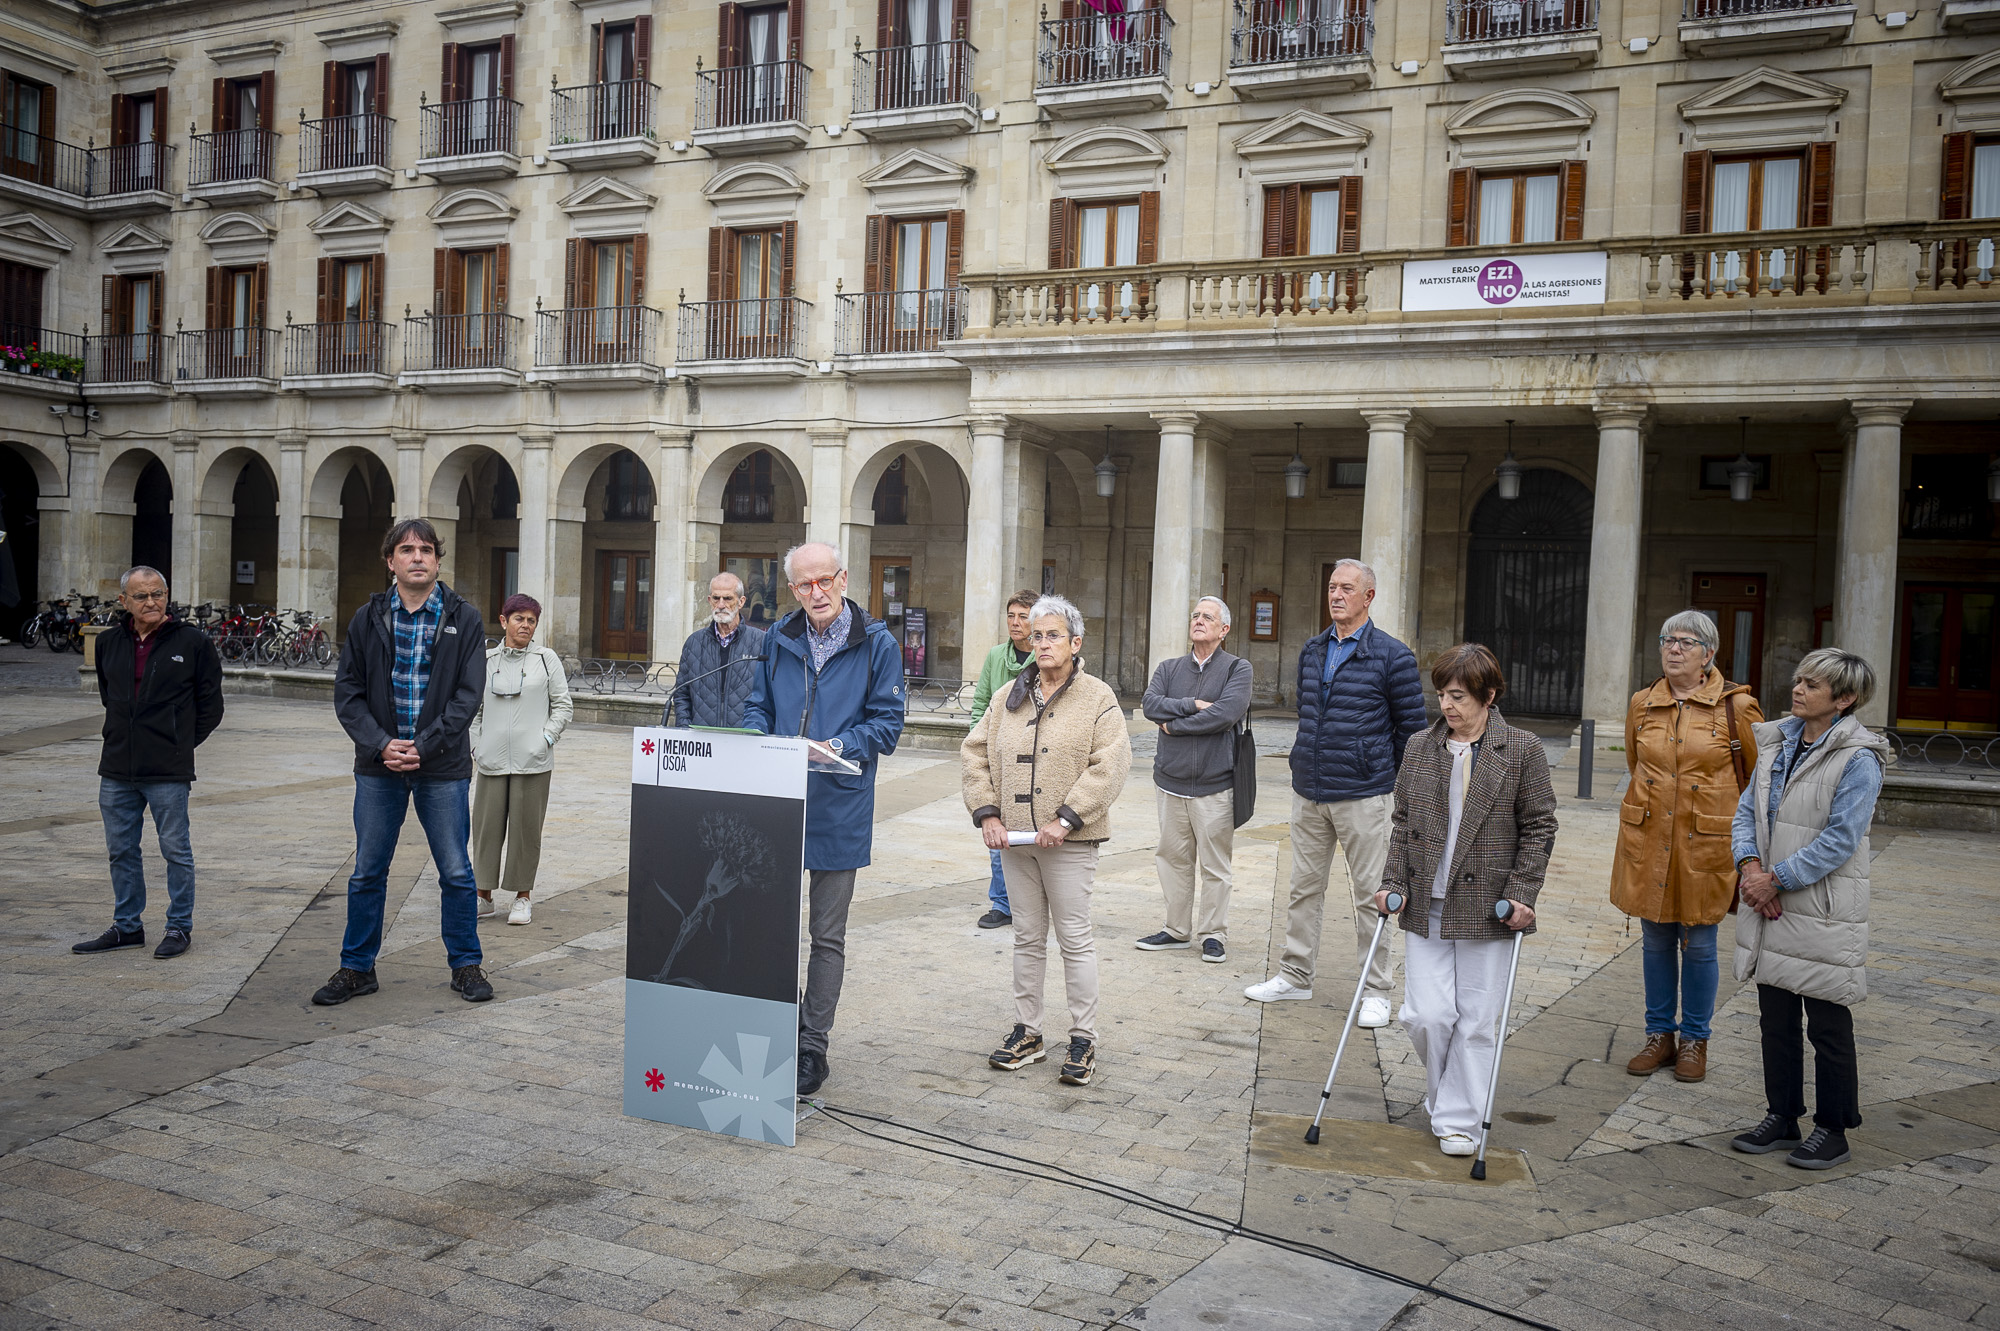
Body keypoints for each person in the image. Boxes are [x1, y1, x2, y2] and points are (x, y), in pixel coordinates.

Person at [1375, 643, 1557, 1156]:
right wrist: (1393, 883)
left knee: (1476, 1019)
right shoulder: (1419, 746)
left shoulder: (1521, 749)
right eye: (1441, 695)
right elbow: (1403, 823)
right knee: (1425, 1016)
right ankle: (1446, 1099)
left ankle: (1459, 1119)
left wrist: (1523, 892)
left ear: (1488, 695)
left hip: (1488, 905)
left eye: (1458, 696)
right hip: (1425, 900)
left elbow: (1540, 827)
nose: (1447, 706)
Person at [741, 541, 906, 1098]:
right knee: (771, 929)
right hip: (778, 800)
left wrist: (836, 744)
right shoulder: (777, 640)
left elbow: (888, 725)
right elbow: (756, 705)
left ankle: (812, 1047)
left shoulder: (878, 644)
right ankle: (772, 1030)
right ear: (792, 590)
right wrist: (759, 737)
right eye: (804, 585)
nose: (817, 592)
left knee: (825, 936)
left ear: (842, 578)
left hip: (840, 805)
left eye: (825, 581)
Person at [317, 518, 491, 1007]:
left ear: (438, 560)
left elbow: (467, 694)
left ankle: (466, 965)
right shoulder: (367, 617)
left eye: (427, 550)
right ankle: (356, 968)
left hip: (441, 767)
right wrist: (380, 744)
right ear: (390, 560)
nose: (417, 557)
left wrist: (425, 744)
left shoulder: (464, 617)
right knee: (367, 871)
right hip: (379, 767)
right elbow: (347, 693)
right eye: (407, 549)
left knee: (456, 872)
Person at [1247, 559, 1426, 1024]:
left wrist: (1399, 795)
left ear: (1369, 597)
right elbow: (1311, 716)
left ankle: (1377, 990)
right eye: (1331, 587)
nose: (1336, 595)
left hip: (1365, 795)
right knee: (1303, 889)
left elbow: (1411, 733)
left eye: (1347, 588)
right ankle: (1294, 976)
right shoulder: (1311, 649)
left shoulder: (1394, 656)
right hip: (1310, 789)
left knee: (1373, 894)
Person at [963, 595, 1132, 1088]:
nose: (1042, 643)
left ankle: (1083, 1038)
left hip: (1070, 841)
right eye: (1036, 635)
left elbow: (1112, 764)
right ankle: (1029, 1031)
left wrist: (1067, 818)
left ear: (1075, 642)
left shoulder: (1098, 697)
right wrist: (988, 814)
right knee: (1027, 937)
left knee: (1074, 940)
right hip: (1015, 839)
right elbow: (974, 753)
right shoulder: (1008, 696)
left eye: (1052, 634)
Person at [1730, 648, 1887, 1170]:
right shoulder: (1777, 743)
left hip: (1818, 907)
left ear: (1843, 700)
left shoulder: (1859, 758)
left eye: (1812, 685)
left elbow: (1841, 838)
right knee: (1774, 1018)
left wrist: (1776, 879)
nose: (1797, 689)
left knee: (1826, 1020)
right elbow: (1745, 812)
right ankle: (1782, 1116)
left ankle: (1833, 1128)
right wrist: (1751, 869)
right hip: (1767, 899)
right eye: (1798, 680)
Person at [1611, 610, 1763, 1084]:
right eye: (1667, 640)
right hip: (1650, 836)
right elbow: (1638, 763)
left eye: (1686, 642)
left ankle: (1695, 1040)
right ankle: (1660, 1036)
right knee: (1655, 939)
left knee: (1699, 943)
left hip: (1707, 842)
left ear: (1709, 654)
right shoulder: (1642, 703)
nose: (1674, 648)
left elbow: (1756, 778)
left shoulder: (1737, 708)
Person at [72, 566, 224, 960]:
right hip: (118, 766)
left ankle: (178, 927)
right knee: (121, 849)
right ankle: (127, 927)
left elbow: (211, 706)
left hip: (167, 769)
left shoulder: (192, 642)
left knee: (176, 850)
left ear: (167, 595)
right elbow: (112, 698)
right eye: (141, 596)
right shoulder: (108, 643)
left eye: (158, 593)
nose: (152, 602)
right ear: (124, 602)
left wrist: (178, 743)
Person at [1136, 596, 1253, 964]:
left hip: (1215, 784)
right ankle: (1175, 930)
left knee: (1215, 865)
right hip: (1169, 781)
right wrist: (1190, 704)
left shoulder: (1238, 669)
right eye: (1195, 615)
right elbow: (1150, 704)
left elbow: (1225, 715)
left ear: (1224, 630)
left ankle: (1213, 934)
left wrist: (1173, 725)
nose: (1199, 621)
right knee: (1172, 859)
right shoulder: (1169, 668)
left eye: (1208, 617)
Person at [471, 594, 573, 926]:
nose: (525, 625)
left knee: (526, 832)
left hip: (534, 763)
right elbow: (471, 711)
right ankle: (483, 896)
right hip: (491, 761)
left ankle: (522, 897)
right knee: (486, 830)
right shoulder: (485, 660)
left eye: (531, 620)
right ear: (503, 621)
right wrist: (476, 746)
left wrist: (545, 739)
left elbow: (563, 706)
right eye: (519, 618)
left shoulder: (546, 660)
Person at [966, 589, 1039, 929]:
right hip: (998, 757)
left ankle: (1034, 900)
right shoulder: (997, 656)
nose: (1015, 622)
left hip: (1036, 759)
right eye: (1011, 615)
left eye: (1023, 616)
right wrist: (977, 742)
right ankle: (1002, 903)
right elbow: (980, 702)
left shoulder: (1045, 653)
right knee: (996, 829)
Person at [668, 571, 768, 730]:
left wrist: (758, 733)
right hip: (702, 742)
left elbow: (770, 696)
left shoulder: (762, 642)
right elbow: (681, 695)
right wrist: (685, 730)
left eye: (728, 598)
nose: (721, 605)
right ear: (709, 600)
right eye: (716, 598)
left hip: (745, 740)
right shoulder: (694, 642)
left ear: (741, 602)